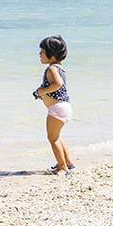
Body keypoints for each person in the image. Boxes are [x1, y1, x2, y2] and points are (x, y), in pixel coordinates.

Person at [34, 35, 75, 174]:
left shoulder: (51, 69)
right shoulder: (60, 68)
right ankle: (68, 163)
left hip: (57, 109)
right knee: (57, 136)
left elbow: (58, 84)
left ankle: (62, 166)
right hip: (65, 107)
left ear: (51, 55)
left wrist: (42, 91)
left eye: (42, 52)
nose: (39, 54)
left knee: (52, 138)